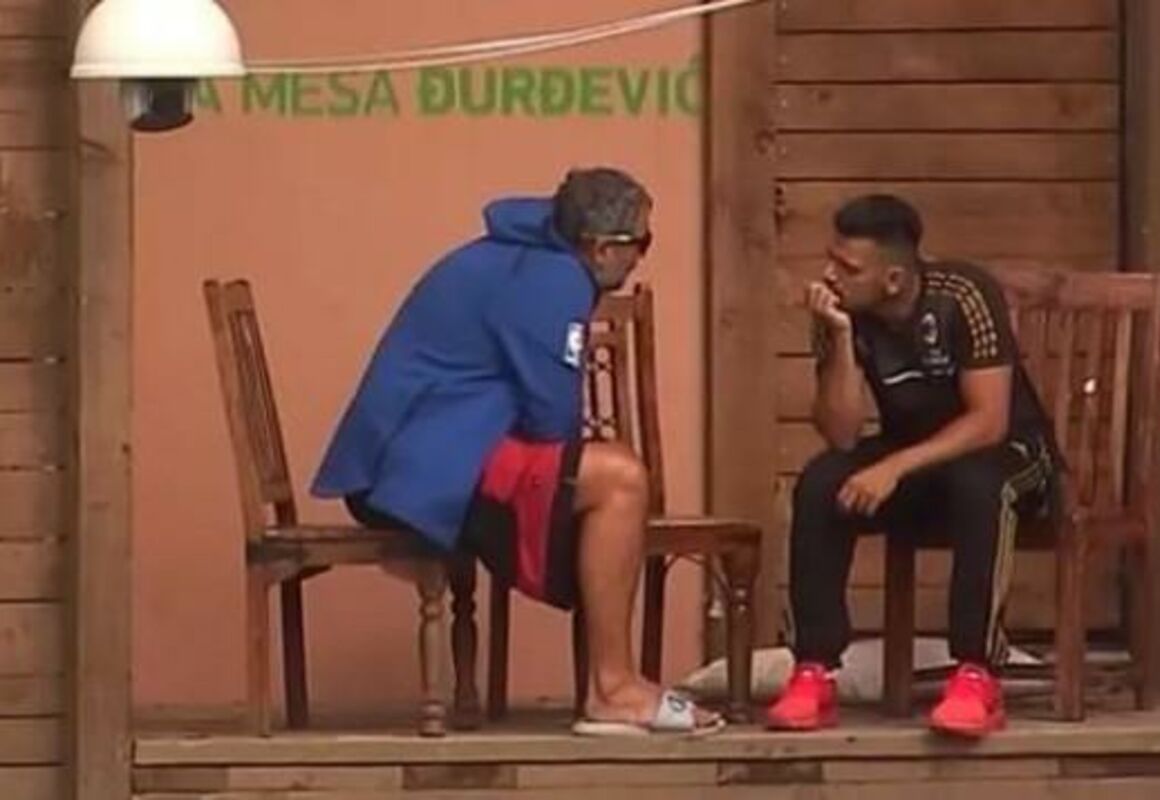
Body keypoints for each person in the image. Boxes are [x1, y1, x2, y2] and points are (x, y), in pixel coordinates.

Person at [312, 167, 722, 736]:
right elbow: (551, 418)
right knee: (621, 479)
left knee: (602, 477)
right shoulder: (556, 276)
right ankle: (613, 689)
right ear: (601, 247)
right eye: (641, 243)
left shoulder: (525, 256)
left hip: (416, 457)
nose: (639, 260)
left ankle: (613, 683)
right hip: (419, 469)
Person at [766, 194, 1059, 738]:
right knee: (821, 482)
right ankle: (814, 670)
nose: (830, 276)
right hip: (916, 458)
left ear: (895, 279)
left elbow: (989, 422)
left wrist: (894, 467)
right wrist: (840, 339)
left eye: (848, 268)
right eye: (830, 259)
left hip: (1011, 455)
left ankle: (977, 673)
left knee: (980, 483)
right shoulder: (839, 312)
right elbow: (841, 433)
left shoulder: (962, 296)